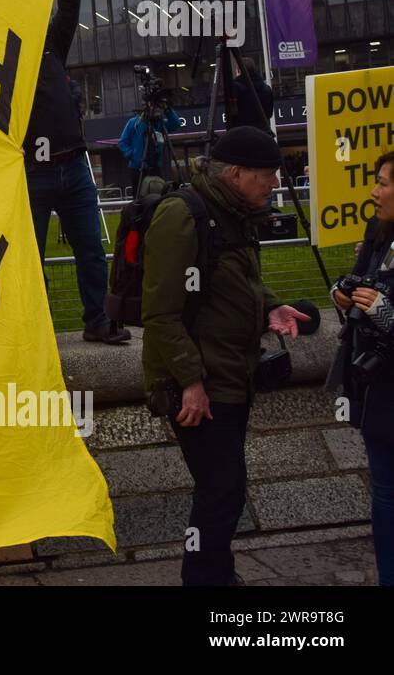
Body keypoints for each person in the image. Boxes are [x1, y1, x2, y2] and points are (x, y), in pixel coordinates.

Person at [141, 126, 308, 585]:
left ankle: (217, 575)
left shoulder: (232, 211)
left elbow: (235, 281)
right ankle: (204, 579)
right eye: (267, 175)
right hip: (201, 383)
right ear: (236, 173)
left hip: (232, 375)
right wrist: (192, 383)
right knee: (221, 490)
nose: (275, 184)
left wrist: (270, 304)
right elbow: (159, 314)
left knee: (223, 491)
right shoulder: (183, 215)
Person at [24, 0, 130, 345]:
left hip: (73, 167)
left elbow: (67, 6)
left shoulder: (51, 46)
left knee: (90, 251)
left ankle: (98, 321)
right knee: (33, 261)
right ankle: (37, 333)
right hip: (32, 172)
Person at [327, 150, 394, 585]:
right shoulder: (377, 231)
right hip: (380, 390)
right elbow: (356, 282)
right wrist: (343, 295)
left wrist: (388, 313)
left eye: (385, 183)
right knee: (385, 492)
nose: (374, 191)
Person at [118, 104, 183, 194]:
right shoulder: (134, 122)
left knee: (158, 194)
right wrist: (133, 155)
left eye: (158, 107)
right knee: (139, 198)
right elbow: (122, 142)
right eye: (154, 106)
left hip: (156, 167)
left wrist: (167, 108)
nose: (157, 109)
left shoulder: (160, 123)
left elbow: (176, 124)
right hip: (138, 168)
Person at [230, 58, 274, 134]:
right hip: (262, 133)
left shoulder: (235, 88)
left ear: (239, 71)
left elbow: (232, 113)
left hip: (242, 133)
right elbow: (269, 113)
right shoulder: (266, 89)